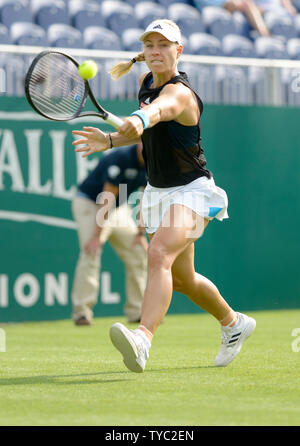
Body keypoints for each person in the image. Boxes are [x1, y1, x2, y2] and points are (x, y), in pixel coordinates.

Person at [72, 19, 256, 371]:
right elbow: (145, 132)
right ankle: (234, 324)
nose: (156, 51)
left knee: (157, 254)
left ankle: (142, 338)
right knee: (184, 279)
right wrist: (110, 140)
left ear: (178, 51)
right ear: (144, 51)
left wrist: (142, 118)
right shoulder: (145, 83)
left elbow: (161, 111)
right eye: (150, 45)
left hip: (194, 191)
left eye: (164, 45)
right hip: (159, 192)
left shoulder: (179, 92)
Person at [71, 143, 147, 326]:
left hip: (119, 209)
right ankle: (82, 312)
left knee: (139, 253)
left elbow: (146, 196)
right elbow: (107, 197)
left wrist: (140, 232)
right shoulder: (120, 157)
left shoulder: (153, 161)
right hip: (91, 203)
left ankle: (137, 311)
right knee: (91, 251)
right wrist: (96, 236)